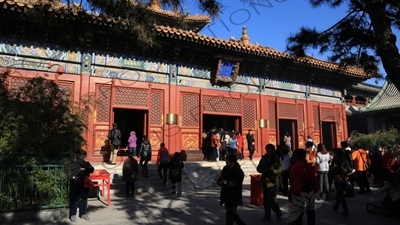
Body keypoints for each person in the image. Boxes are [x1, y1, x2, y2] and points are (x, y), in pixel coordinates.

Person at [288, 149, 320, 225]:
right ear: (304, 156)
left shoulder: (293, 167)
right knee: (310, 211)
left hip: (297, 191)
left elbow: (291, 182)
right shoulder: (308, 167)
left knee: (298, 212)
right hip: (308, 192)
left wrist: (292, 192)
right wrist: (317, 190)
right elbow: (313, 180)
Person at [218, 154, 247, 225]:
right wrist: (220, 182)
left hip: (234, 196)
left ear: (232, 162)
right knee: (232, 213)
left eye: (227, 161)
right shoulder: (225, 169)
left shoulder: (238, 172)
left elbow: (237, 183)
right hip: (226, 194)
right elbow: (220, 178)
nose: (226, 162)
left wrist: (227, 182)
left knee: (229, 214)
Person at [257, 144, 282, 222]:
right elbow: (258, 168)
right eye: (267, 151)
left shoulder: (276, 159)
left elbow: (278, 171)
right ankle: (267, 215)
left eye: (270, 151)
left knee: (271, 199)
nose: (268, 152)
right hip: (265, 181)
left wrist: (270, 170)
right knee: (266, 200)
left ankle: (278, 212)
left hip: (273, 182)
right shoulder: (264, 158)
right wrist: (262, 169)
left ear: (273, 151)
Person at [68, 149, 94, 222]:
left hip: (85, 182)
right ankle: (73, 214)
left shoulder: (86, 163)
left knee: (84, 199)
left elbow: (91, 169)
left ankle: (83, 213)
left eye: (84, 155)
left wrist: (84, 169)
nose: (83, 157)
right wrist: (84, 170)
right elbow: (75, 171)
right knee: (76, 199)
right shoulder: (74, 163)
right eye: (82, 155)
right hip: (77, 182)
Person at [330, 148, 351, 217]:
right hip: (344, 178)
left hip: (338, 178)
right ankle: (335, 206)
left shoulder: (335, 160)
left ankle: (346, 211)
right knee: (340, 193)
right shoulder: (345, 159)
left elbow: (332, 170)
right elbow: (349, 169)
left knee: (341, 195)